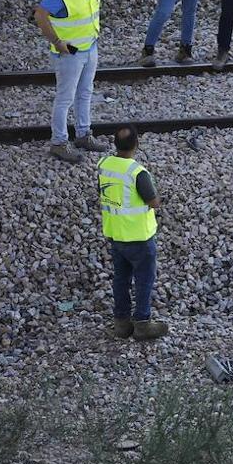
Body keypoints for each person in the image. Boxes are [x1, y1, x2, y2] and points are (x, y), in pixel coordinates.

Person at [33, 0, 109, 163]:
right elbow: (40, 15)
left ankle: (83, 135)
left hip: (89, 47)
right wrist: (57, 42)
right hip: (70, 53)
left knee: (85, 93)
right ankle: (58, 143)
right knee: (65, 98)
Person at [98, 125, 168, 341]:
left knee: (121, 279)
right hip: (139, 238)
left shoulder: (104, 165)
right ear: (137, 144)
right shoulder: (137, 172)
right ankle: (142, 324)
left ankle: (121, 324)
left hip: (116, 235)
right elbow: (153, 202)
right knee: (144, 280)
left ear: (115, 144)